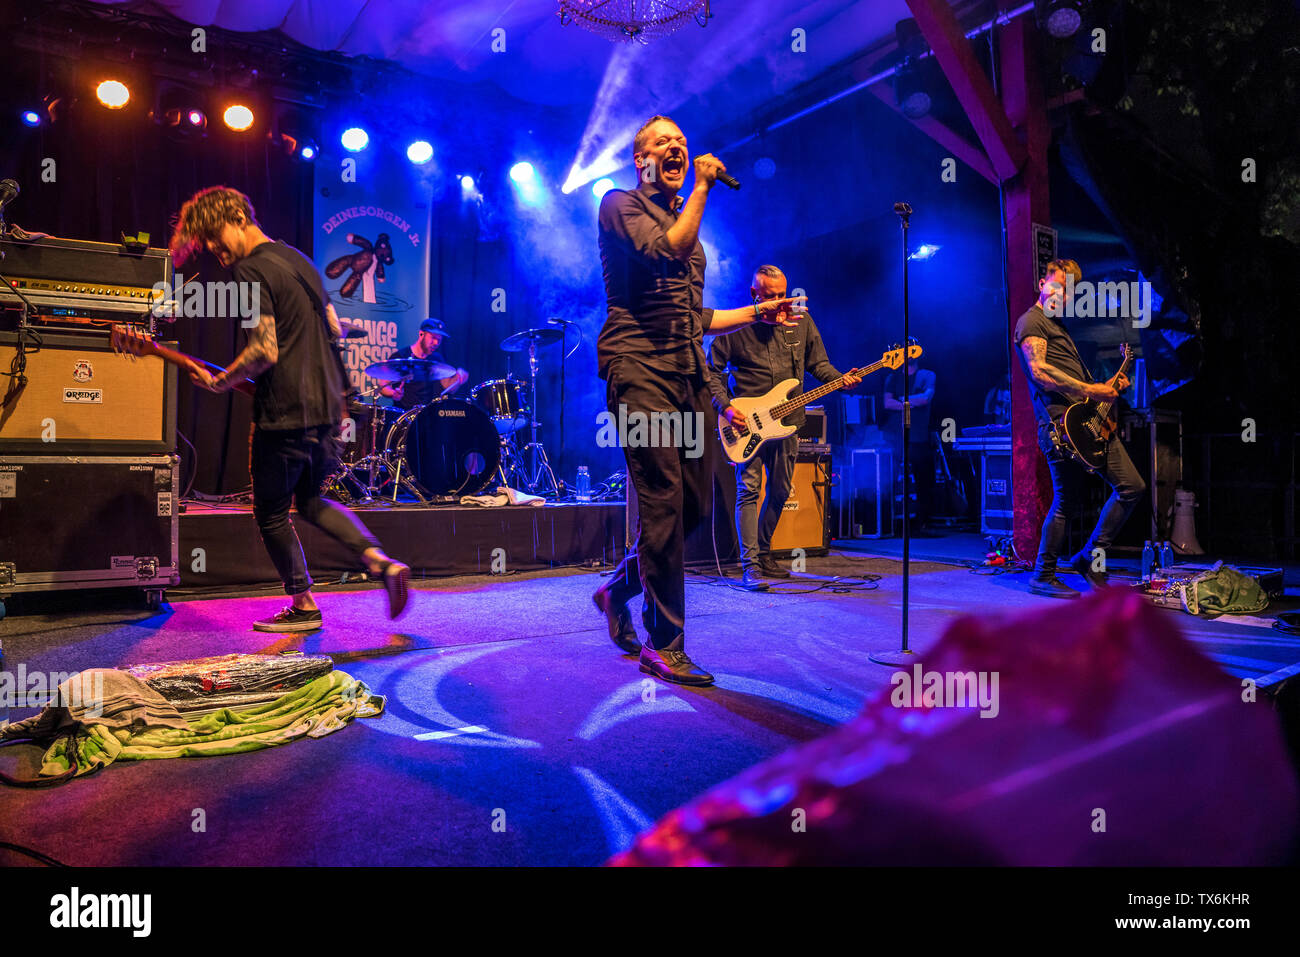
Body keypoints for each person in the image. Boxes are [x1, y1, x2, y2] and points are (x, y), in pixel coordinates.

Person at [591, 115, 804, 686]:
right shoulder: (619, 204)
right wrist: (704, 189)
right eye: (663, 142)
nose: (677, 146)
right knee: (660, 503)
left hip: (685, 376)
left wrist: (761, 311)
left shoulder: (690, 226)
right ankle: (666, 644)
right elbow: (664, 252)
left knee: (696, 507)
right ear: (642, 160)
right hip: (637, 371)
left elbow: (699, 317)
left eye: (682, 140)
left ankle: (618, 591)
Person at [171, 186, 412, 631]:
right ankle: (381, 563)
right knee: (312, 500)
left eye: (212, 234)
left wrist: (220, 381)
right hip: (323, 409)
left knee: (270, 512)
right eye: (202, 241)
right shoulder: (298, 259)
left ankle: (303, 606)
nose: (211, 247)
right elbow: (335, 330)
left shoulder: (249, 272)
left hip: (282, 411)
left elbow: (264, 350)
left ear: (239, 217)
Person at [708, 265, 861, 589]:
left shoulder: (801, 321)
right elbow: (713, 372)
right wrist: (726, 406)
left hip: (789, 423)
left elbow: (818, 364)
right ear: (755, 295)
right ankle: (750, 567)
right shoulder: (736, 325)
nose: (779, 302)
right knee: (748, 491)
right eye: (770, 297)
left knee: (779, 491)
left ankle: (765, 555)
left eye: (782, 295)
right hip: (747, 423)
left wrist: (840, 380)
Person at [1014, 258, 1145, 598]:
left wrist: (1107, 387)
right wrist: (1092, 390)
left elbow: (1076, 382)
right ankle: (1043, 575)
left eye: (1068, 289)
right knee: (1065, 501)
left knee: (1131, 486)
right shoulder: (1032, 321)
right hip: (1061, 424)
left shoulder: (1059, 327)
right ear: (1042, 284)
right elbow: (1040, 372)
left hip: (1086, 421)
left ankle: (1089, 556)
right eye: (1057, 285)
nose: (1062, 293)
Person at [883, 356, 937, 531]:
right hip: (896, 437)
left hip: (920, 436)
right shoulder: (893, 377)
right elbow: (887, 403)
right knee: (893, 480)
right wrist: (911, 402)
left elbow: (925, 399)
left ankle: (922, 523)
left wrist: (901, 400)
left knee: (924, 481)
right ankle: (893, 523)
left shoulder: (927, 375)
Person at [379, 317, 469, 409]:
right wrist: (393, 393)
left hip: (429, 413)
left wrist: (458, 379)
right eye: (433, 338)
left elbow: (447, 388)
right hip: (405, 415)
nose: (436, 343)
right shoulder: (400, 356)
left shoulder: (436, 359)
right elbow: (383, 386)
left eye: (439, 339)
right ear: (421, 334)